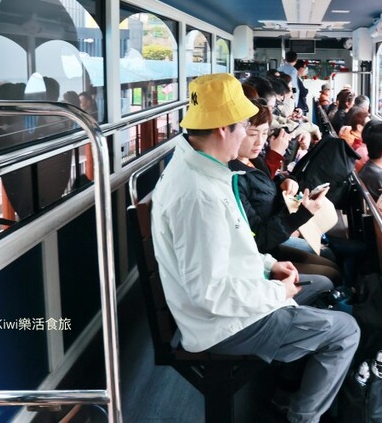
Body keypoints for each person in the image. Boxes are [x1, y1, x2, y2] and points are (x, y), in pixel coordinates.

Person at [150, 74, 359, 422]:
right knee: (346, 332)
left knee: (320, 284)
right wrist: (276, 292)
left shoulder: (206, 172)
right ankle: (302, 417)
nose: (250, 133)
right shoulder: (198, 195)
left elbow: (235, 241)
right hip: (221, 327)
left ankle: (287, 387)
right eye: (245, 124)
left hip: (232, 304)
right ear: (222, 129)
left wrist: (268, 267)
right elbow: (209, 294)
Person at [230, 101, 341, 283]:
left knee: (331, 263)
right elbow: (259, 238)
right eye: (251, 134)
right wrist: (299, 217)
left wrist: (284, 181)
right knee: (330, 273)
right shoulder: (235, 177)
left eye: (264, 133)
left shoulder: (254, 160)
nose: (260, 142)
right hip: (266, 250)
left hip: (278, 235)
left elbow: (268, 183)